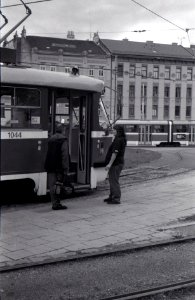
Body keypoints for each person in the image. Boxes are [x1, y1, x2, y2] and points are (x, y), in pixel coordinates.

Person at [44, 123, 69, 210]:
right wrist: (66, 168)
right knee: (58, 184)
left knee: (51, 185)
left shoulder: (51, 139)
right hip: (59, 167)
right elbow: (64, 155)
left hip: (50, 165)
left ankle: (53, 203)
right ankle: (57, 204)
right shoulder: (63, 140)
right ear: (63, 131)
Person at [104, 124, 127, 204]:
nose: (113, 131)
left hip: (116, 164)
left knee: (114, 181)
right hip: (117, 163)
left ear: (118, 131)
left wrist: (109, 164)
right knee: (112, 180)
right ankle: (112, 196)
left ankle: (116, 198)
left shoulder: (118, 140)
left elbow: (114, 153)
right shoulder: (120, 139)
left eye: (114, 130)